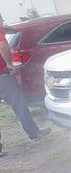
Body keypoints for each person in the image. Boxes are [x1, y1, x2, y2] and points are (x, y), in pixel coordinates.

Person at [0, 14, 50, 156]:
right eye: (1, 18)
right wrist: (9, 64)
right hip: (2, 77)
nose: (3, 21)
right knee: (19, 104)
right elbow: (2, 44)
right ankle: (34, 133)